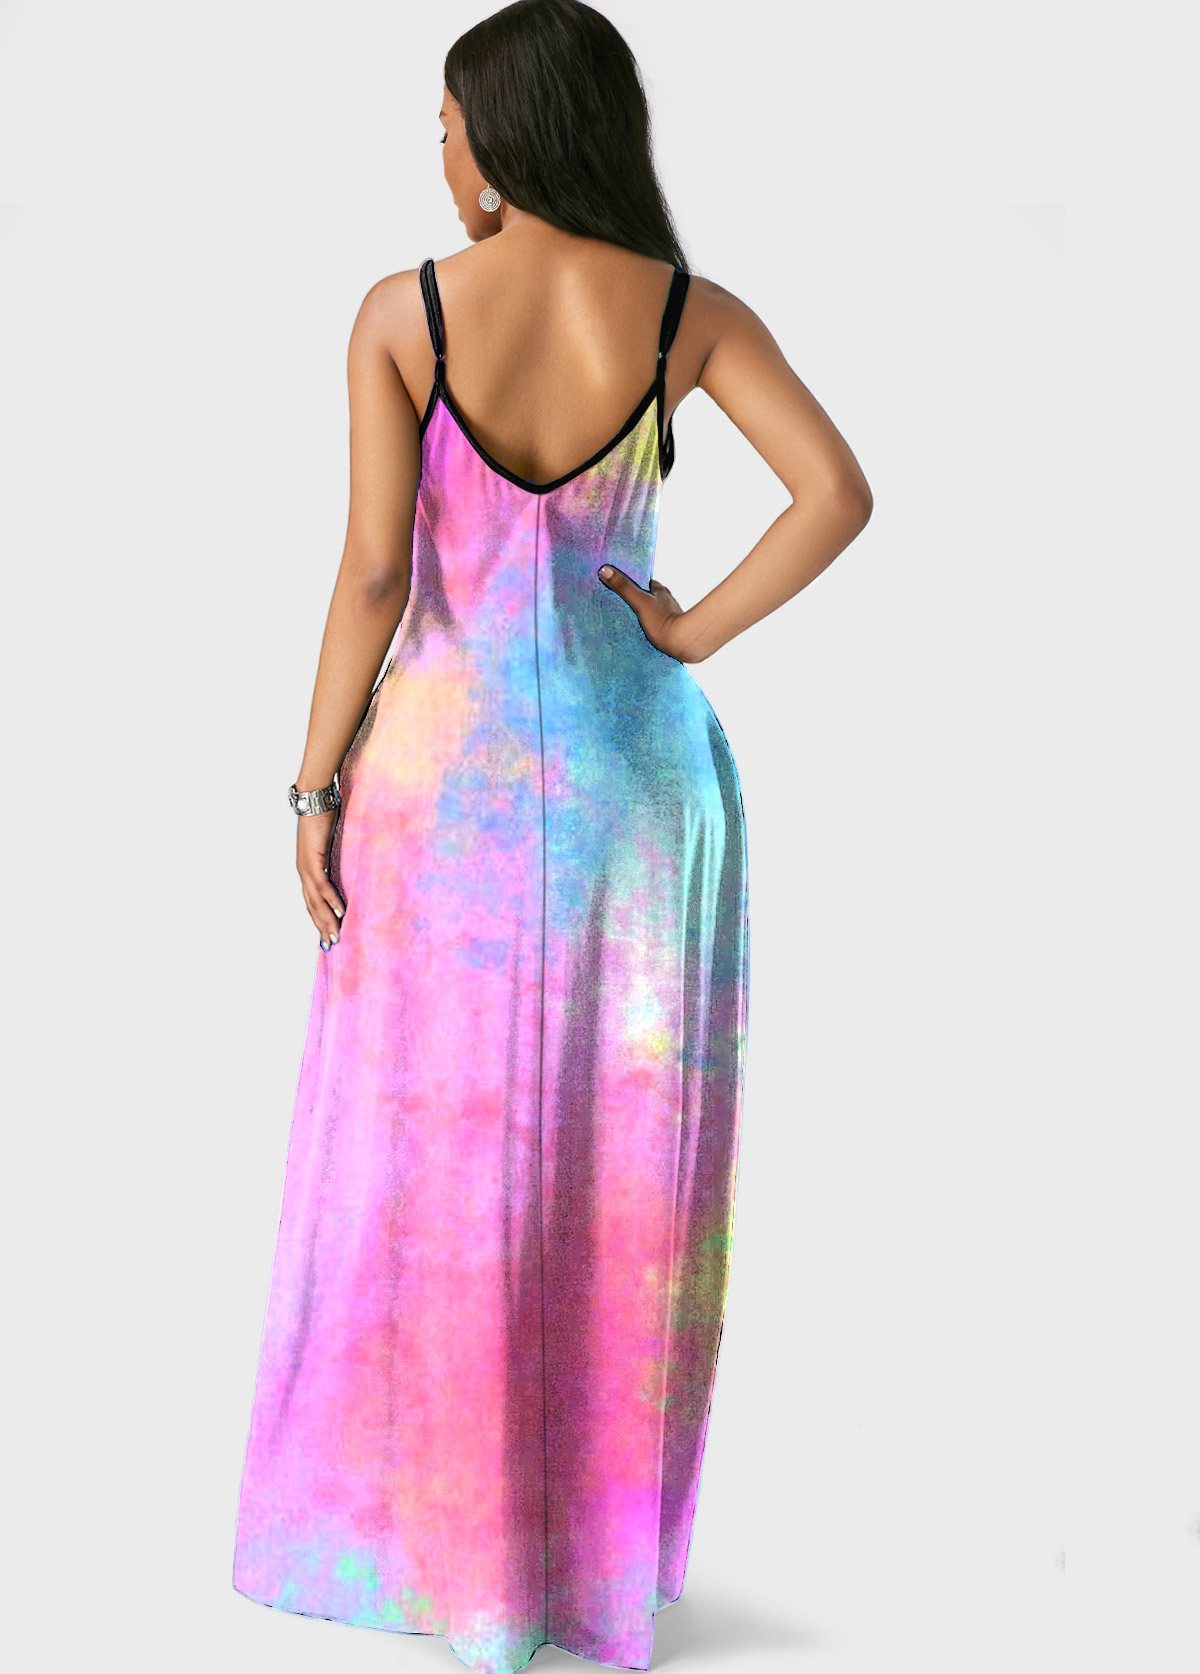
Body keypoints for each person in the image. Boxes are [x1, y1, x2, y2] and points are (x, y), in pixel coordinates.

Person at [232, 3, 872, 1671]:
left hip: (441, 793)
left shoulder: (405, 313)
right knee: (620, 1155)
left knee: (434, 1156)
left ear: (504, 134)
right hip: (637, 792)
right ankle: (582, 1563)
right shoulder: (686, 312)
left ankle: (444, 1551)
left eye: (445, 124)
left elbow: (376, 574)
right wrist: (689, 629)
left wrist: (310, 786)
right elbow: (836, 491)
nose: (438, 154)